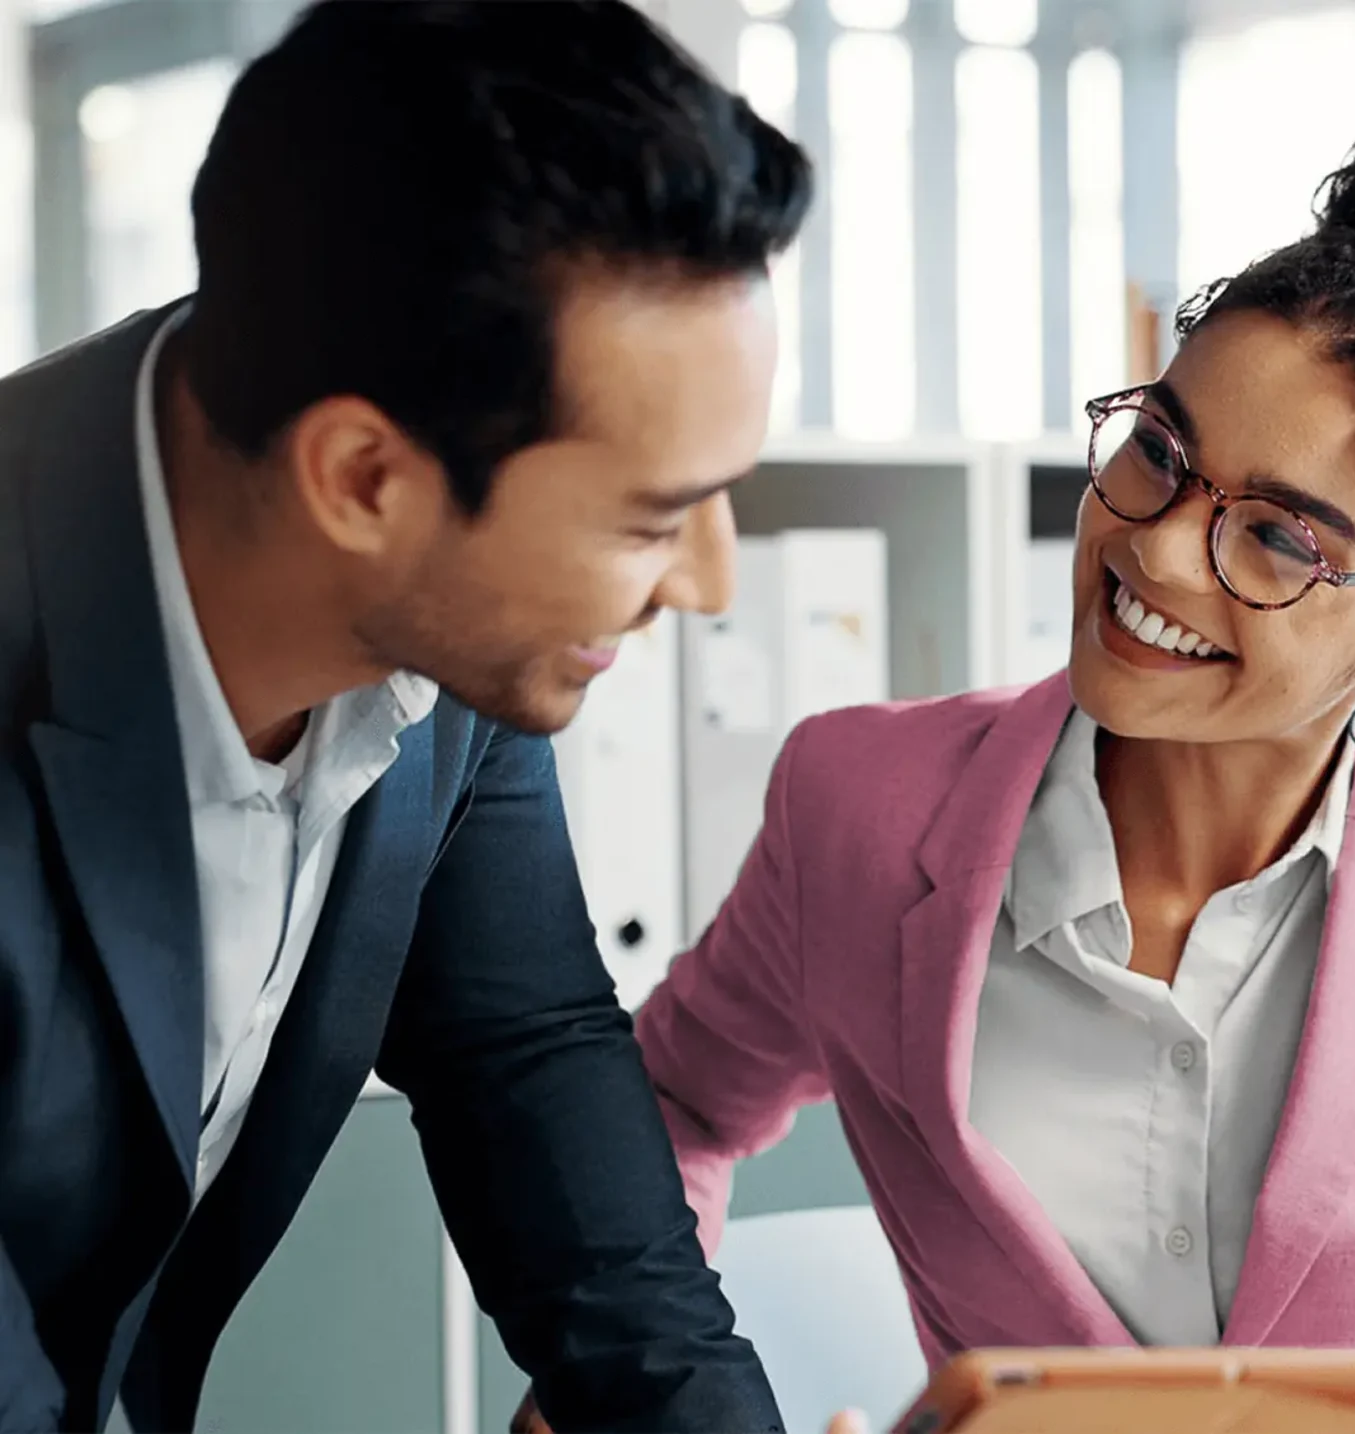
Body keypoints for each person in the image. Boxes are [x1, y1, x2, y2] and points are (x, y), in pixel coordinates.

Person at [622, 94, 1355, 1434]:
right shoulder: (860, 805)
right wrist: (650, 1385)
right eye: (1159, 452)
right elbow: (670, 1101)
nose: (1158, 550)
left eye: (1283, 538)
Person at [0, 2, 813, 1430]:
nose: (708, 582)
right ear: (365, 478)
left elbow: (525, 1047)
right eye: (651, 520)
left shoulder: (438, 627)